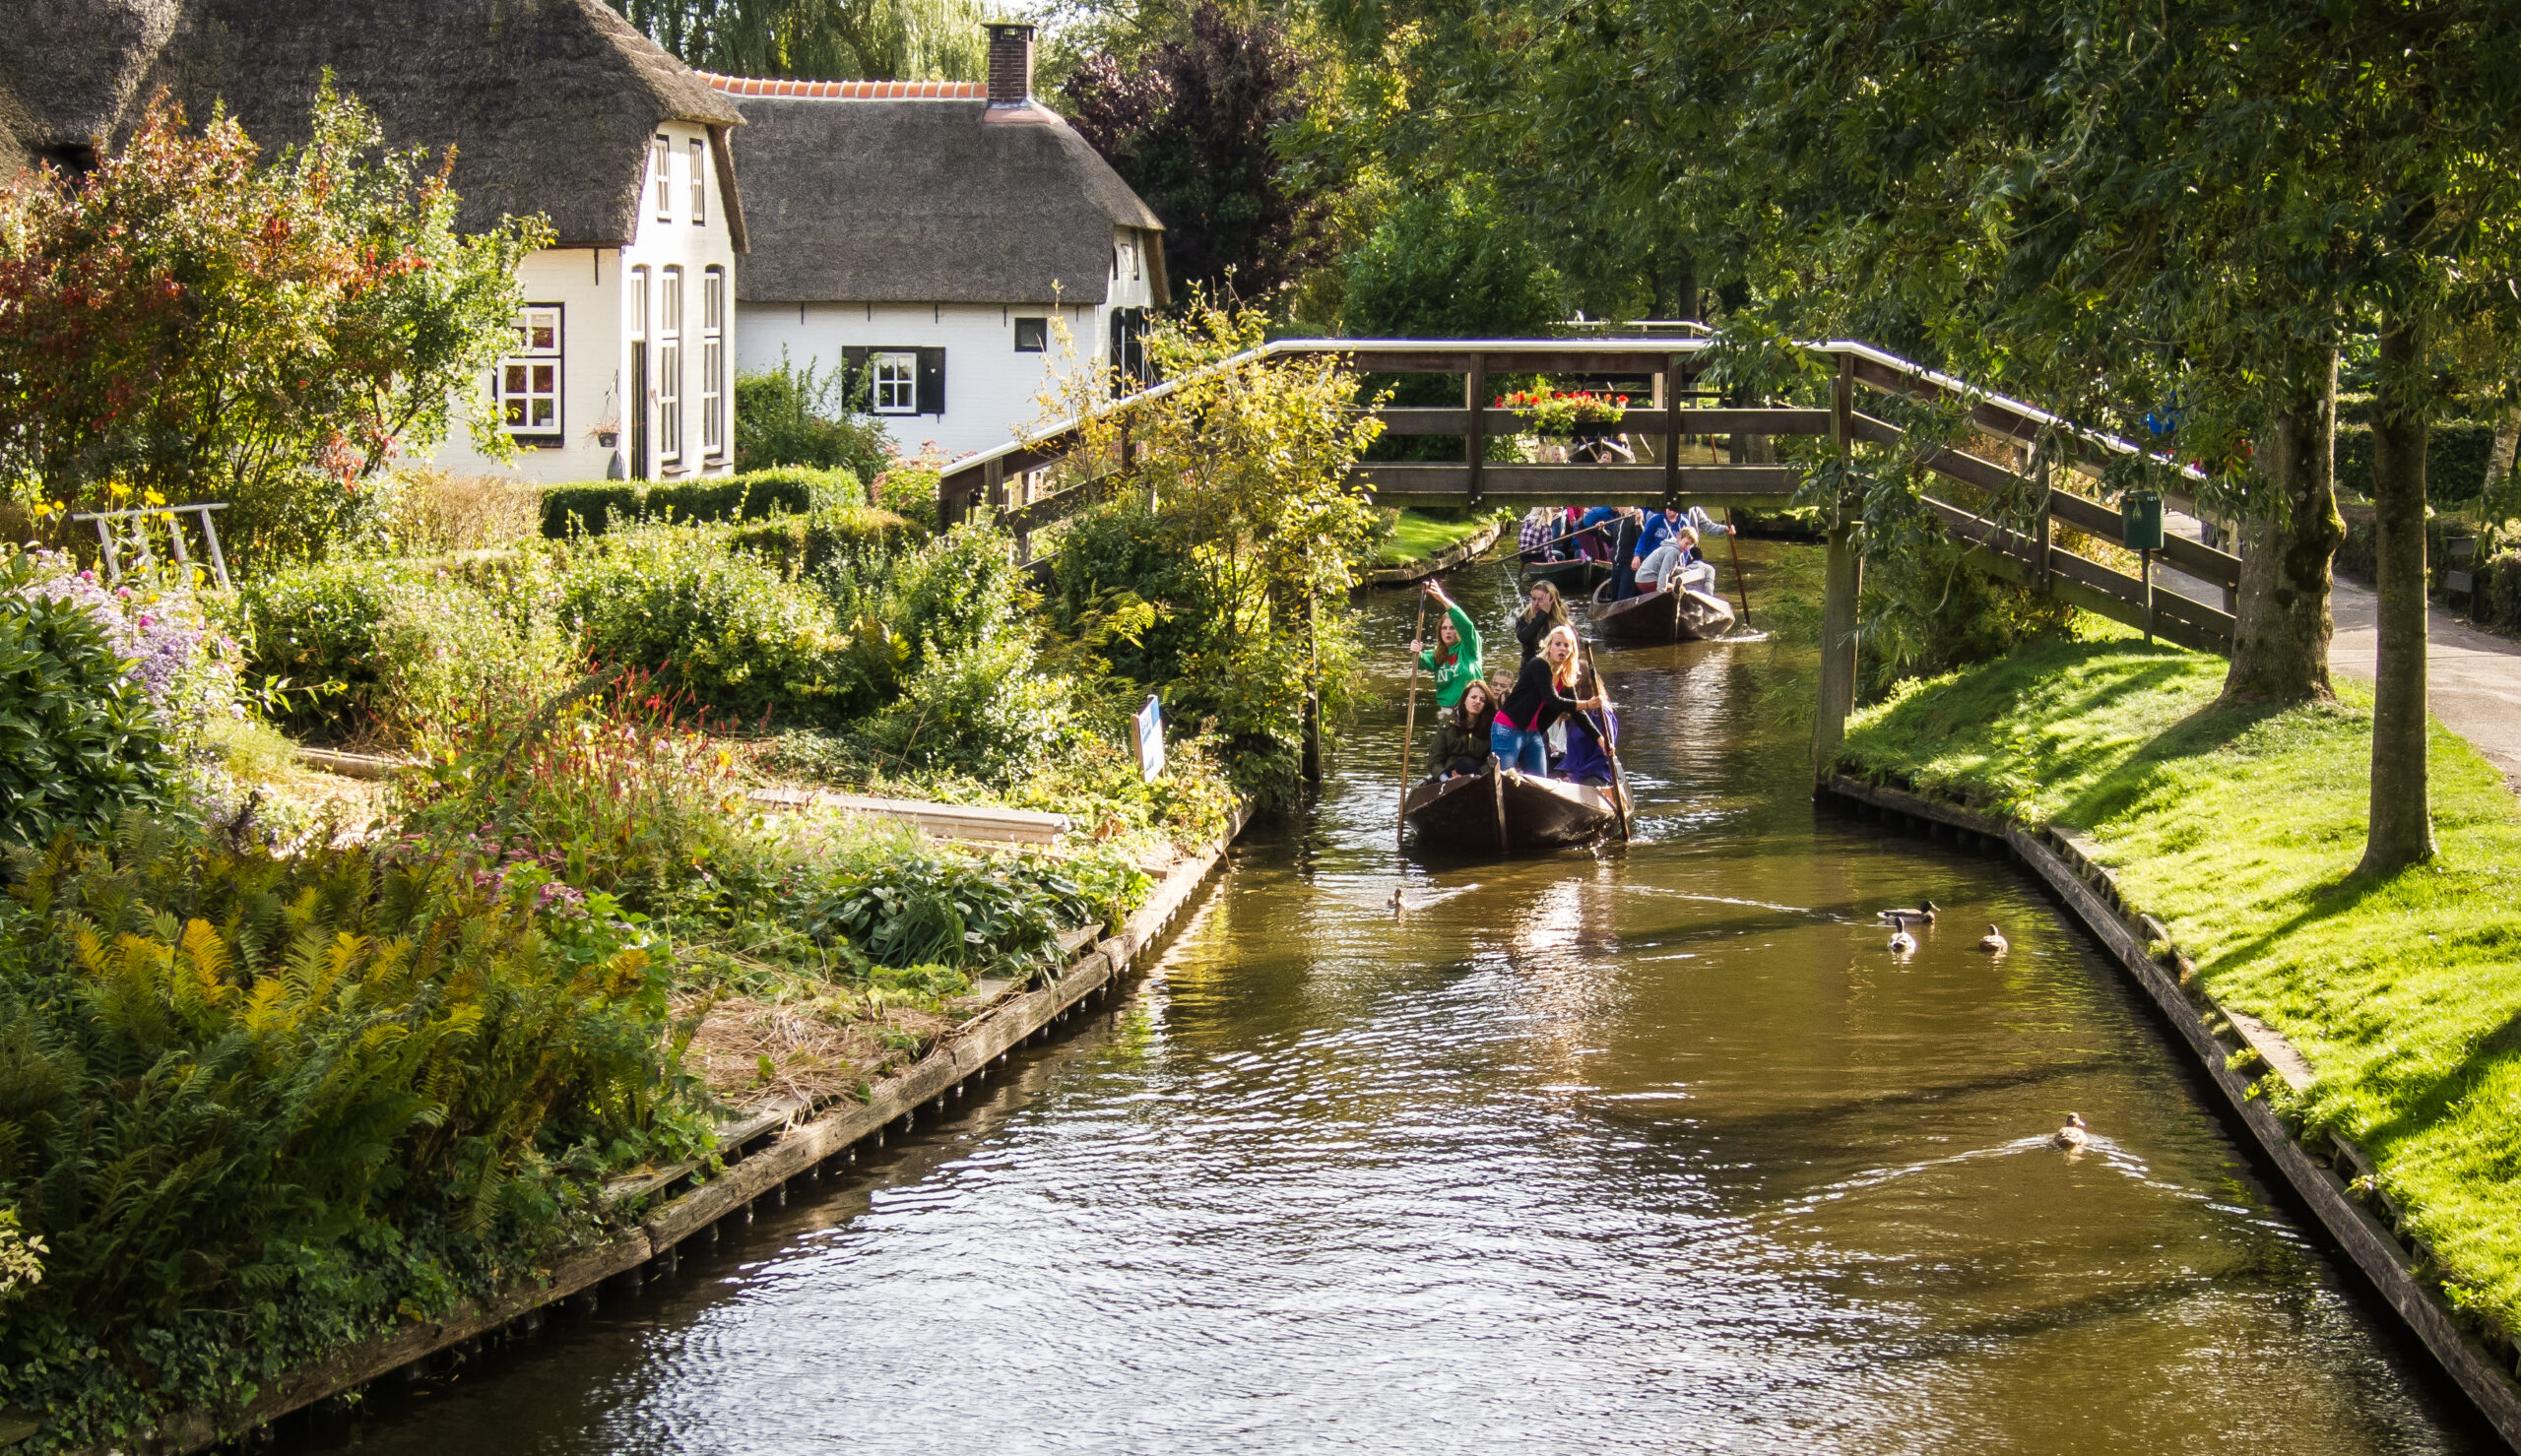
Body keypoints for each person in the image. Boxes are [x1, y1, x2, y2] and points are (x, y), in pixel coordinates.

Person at [1491, 624, 1603, 775]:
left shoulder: (1564, 676)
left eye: (1566, 645)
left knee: (1539, 781)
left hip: (1532, 732)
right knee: (1503, 778)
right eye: (1558, 644)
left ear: (1571, 651)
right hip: (1508, 727)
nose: (1562, 649)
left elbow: (1577, 712)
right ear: (1549, 647)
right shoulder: (1539, 665)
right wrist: (1588, 704)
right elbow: (1552, 700)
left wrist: (1599, 738)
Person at [1407, 579, 1482, 710]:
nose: (1448, 631)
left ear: (1458, 631)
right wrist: (1416, 652)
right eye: (1444, 628)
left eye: (1452, 628)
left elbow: (1467, 626)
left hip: (1473, 709)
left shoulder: (1470, 647)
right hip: (1447, 710)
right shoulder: (1437, 652)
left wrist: (1444, 601)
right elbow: (1420, 662)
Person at [1556, 661, 1621, 789]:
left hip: (1595, 774)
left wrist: (1576, 777)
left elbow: (1602, 755)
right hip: (1573, 770)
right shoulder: (1573, 711)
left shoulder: (1600, 713)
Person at [1427, 680, 1498, 781]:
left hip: (1479, 776)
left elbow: (1493, 758)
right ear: (1464, 700)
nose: (1477, 701)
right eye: (1473, 697)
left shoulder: (1492, 726)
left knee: (1470, 764)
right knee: (1465, 764)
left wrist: (1479, 776)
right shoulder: (1447, 724)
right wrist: (1446, 780)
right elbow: (1434, 760)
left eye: (1482, 700)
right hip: (1451, 774)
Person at [1513, 579, 1571, 664]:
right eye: (1534, 599)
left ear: (1551, 601)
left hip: (1553, 665)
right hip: (1529, 665)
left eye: (1540, 600)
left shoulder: (1560, 620)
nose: (1536, 603)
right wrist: (1542, 614)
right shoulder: (1524, 616)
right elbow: (1523, 637)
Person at [1609, 507, 1648, 600]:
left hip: (1628, 566)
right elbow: (1612, 542)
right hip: (1616, 565)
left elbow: (1641, 539)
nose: (1616, 507)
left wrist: (1638, 523)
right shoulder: (1620, 519)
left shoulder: (1636, 518)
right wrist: (1602, 531)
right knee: (1613, 598)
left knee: (1623, 598)